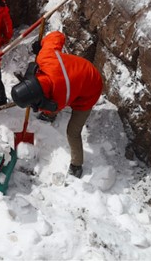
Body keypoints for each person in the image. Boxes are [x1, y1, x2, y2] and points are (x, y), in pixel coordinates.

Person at [10, 31, 103, 178]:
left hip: (91, 87)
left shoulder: (59, 99)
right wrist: (41, 45)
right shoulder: (45, 56)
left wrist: (40, 107)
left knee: (72, 132)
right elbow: (58, 35)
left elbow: (52, 107)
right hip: (82, 68)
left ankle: (77, 165)